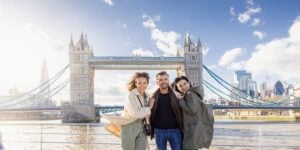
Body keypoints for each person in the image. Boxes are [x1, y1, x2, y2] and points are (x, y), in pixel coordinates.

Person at [105, 72, 154, 150]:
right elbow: (135, 114)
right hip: (129, 127)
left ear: (147, 83)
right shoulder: (130, 96)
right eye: (139, 83)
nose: (142, 85)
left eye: (145, 83)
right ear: (135, 83)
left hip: (142, 127)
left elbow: (146, 114)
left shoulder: (147, 95)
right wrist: (149, 107)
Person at [173, 76, 214, 150]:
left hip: (193, 130)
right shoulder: (191, 94)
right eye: (180, 86)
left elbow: (192, 110)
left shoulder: (190, 94)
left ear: (189, 83)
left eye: (185, 84)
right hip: (194, 128)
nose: (183, 87)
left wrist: (181, 100)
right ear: (178, 88)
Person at [150, 71, 183, 150]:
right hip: (159, 131)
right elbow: (148, 113)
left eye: (165, 79)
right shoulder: (152, 97)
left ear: (168, 80)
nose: (163, 81)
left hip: (175, 130)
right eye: (160, 80)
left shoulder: (177, 95)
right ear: (157, 82)